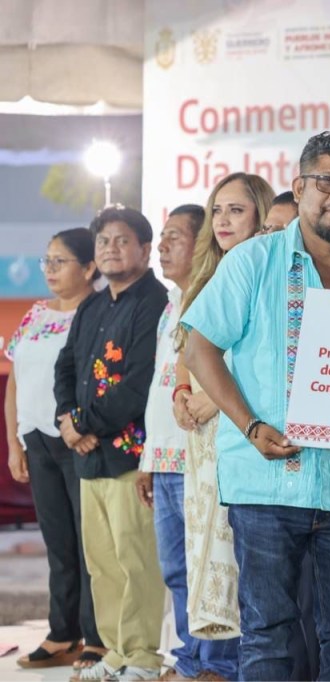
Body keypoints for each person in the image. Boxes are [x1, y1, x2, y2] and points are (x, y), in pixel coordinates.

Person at [181, 131, 330, 681]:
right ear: (299, 188)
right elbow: (199, 347)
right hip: (266, 483)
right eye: (327, 181)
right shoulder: (253, 261)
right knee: (268, 634)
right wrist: (250, 425)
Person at [53, 207, 169, 681]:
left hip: (129, 457)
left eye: (122, 241)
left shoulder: (155, 302)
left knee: (135, 559)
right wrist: (66, 419)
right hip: (88, 457)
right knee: (101, 564)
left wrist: (83, 424)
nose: (110, 249)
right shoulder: (93, 305)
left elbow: (138, 384)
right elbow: (65, 366)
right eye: (103, 241)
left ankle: (143, 655)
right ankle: (117, 651)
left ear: (145, 249)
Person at [133, 204, 239, 682]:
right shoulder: (174, 302)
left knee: (210, 566)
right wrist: (147, 457)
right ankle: (190, 659)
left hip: (200, 452)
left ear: (201, 243)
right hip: (164, 454)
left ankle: (219, 663)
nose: (162, 246)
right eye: (162, 237)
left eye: (175, 236)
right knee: (176, 569)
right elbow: (163, 385)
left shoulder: (217, 292)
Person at [174, 173, 272, 648]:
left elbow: (261, 354)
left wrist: (211, 400)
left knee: (241, 556)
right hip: (200, 434)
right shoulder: (207, 274)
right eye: (217, 210)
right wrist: (181, 394)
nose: (223, 220)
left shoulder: (268, 269)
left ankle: (236, 666)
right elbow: (188, 346)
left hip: (238, 423)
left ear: (260, 214)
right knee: (202, 546)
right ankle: (217, 659)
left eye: (236, 210)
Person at [6, 228, 103, 672]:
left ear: (89, 267)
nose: (49, 269)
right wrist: (14, 442)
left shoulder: (99, 312)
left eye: (59, 261)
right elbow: (15, 382)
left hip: (79, 439)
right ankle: (63, 632)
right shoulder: (34, 314)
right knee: (59, 544)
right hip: (36, 439)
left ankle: (98, 637)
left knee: (90, 544)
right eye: (46, 261)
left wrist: (82, 426)